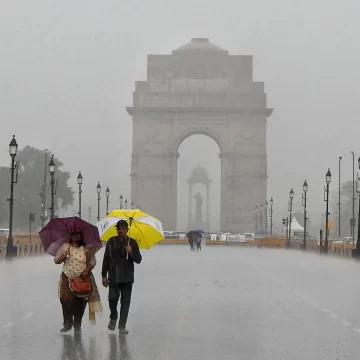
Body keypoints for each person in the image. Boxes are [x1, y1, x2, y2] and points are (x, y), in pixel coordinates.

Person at [54, 228, 102, 333]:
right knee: (66, 300)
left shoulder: (86, 248)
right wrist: (64, 255)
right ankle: (67, 322)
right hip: (67, 277)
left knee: (80, 302)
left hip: (82, 279)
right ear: (70, 235)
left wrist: (87, 269)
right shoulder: (65, 247)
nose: (77, 236)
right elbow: (56, 260)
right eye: (74, 234)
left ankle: (77, 324)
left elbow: (93, 261)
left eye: (78, 234)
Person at [102, 220, 142, 334]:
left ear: (127, 230)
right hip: (114, 276)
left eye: (123, 228)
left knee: (126, 302)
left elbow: (138, 260)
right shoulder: (111, 241)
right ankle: (113, 316)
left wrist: (131, 253)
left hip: (127, 278)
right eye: (119, 228)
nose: (121, 230)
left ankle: (122, 326)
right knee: (112, 299)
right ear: (116, 230)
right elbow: (106, 259)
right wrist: (104, 275)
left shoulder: (132, 242)